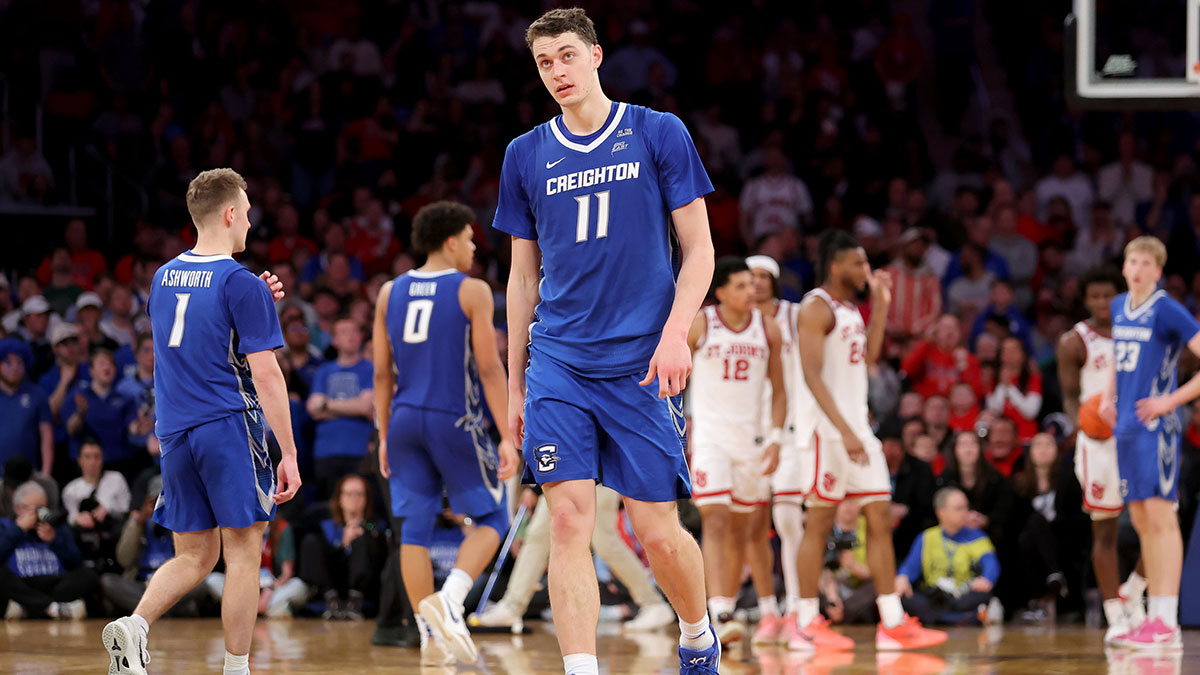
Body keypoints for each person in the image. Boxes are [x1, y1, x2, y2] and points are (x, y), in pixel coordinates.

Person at [493, 9, 718, 674]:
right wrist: (514, 385)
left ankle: (698, 632)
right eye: (543, 63)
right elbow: (520, 278)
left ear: (595, 55)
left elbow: (701, 250)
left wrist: (676, 333)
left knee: (657, 531)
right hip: (559, 360)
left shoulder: (657, 132)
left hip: (643, 362)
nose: (556, 72)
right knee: (566, 519)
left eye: (566, 56)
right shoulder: (524, 153)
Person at [102, 168, 298, 675]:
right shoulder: (238, 281)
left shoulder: (163, 276)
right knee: (243, 551)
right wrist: (289, 452)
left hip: (174, 431)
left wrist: (253, 301)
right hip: (228, 425)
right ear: (231, 213)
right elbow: (268, 376)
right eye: (249, 213)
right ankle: (237, 668)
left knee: (194, 554)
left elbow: (201, 335)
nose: (251, 223)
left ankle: (136, 626)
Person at [374, 200, 517, 667]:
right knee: (494, 518)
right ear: (451, 240)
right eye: (472, 239)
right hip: (452, 417)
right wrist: (509, 432)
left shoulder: (388, 292)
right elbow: (490, 370)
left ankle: (427, 633)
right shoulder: (471, 290)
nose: (476, 248)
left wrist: (382, 433)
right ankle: (451, 601)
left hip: (403, 420)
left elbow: (380, 375)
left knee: (413, 528)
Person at [789, 229, 946, 652]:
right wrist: (842, 430)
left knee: (879, 517)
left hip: (858, 430)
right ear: (837, 265)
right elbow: (811, 375)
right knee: (819, 523)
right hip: (825, 432)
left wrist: (883, 308)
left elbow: (870, 359)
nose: (867, 270)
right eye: (859, 263)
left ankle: (891, 620)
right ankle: (805, 621)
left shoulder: (851, 310)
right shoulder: (815, 307)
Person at [1099, 236, 1200, 649]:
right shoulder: (1118, 305)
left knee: (1162, 521)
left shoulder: (1166, 309)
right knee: (1140, 521)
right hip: (1125, 425)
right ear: (1123, 267)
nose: (1137, 269)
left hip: (1156, 428)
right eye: (1132, 262)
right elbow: (1118, 353)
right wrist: (1108, 395)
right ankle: (1154, 618)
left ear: (1157, 272)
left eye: (1146, 264)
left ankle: (1166, 621)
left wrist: (1170, 400)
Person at [687, 257, 785, 646]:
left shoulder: (768, 328)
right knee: (715, 519)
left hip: (753, 440)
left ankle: (726, 607)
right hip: (710, 437)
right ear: (722, 291)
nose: (751, 291)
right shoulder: (701, 323)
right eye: (742, 285)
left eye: (753, 284)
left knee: (744, 529)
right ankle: (718, 610)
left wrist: (776, 437)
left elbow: (779, 388)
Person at [1056, 265, 1146, 641]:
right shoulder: (1073, 341)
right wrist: (1083, 424)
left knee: (1160, 525)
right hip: (1098, 443)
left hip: (1138, 433)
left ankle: (1135, 590)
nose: (1101, 303)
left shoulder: (1139, 332)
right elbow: (1071, 397)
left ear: (1120, 294)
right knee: (1104, 531)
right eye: (1094, 296)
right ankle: (1114, 613)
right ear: (1085, 299)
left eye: (1107, 295)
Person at [471, 485, 677, 632]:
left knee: (604, 540)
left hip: (600, 468)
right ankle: (512, 606)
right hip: (565, 468)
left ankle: (653, 603)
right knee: (538, 534)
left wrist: (534, 488)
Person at [747, 254, 813, 642]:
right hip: (748, 429)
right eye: (748, 277)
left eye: (762, 276)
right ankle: (768, 610)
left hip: (791, 429)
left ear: (773, 280)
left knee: (789, 521)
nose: (755, 283)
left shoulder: (795, 314)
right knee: (755, 525)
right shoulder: (730, 319)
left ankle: (797, 608)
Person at [895, 487, 1000, 626]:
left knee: (981, 595)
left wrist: (987, 579)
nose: (965, 513)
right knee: (906, 596)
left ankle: (943, 619)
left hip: (963, 595)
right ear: (941, 512)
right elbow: (910, 566)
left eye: (966, 508)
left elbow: (991, 563)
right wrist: (903, 577)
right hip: (934, 596)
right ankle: (962, 619)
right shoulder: (927, 537)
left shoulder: (977, 536)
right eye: (958, 508)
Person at [0, 481, 97, 620]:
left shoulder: (56, 526)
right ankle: (52, 609)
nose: (41, 514)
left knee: (89, 574)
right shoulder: (4, 526)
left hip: (54, 584)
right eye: (35, 509)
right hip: (21, 583)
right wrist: (18, 530)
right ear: (18, 508)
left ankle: (28, 608)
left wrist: (54, 540)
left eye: (43, 508)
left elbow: (76, 562)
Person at [299, 474, 385, 621]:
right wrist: (343, 543)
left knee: (364, 541)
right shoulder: (328, 526)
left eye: (360, 494)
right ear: (340, 498)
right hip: (334, 581)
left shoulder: (376, 526)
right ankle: (332, 601)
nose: (354, 499)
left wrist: (362, 537)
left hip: (365, 585)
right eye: (349, 494)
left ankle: (354, 603)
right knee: (310, 542)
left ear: (367, 499)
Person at [306, 317, 374, 499]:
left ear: (361, 336)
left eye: (354, 331)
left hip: (359, 449)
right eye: (344, 332)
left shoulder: (371, 369)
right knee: (330, 508)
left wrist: (328, 405)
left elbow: (366, 407)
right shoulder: (324, 371)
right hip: (327, 451)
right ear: (334, 340)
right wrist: (353, 406)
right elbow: (313, 408)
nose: (351, 336)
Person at [0, 338, 53, 475]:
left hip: (28, 474)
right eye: (8, 362)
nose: (15, 367)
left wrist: (46, 473)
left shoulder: (37, 393)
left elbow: (47, 436)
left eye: (19, 362)